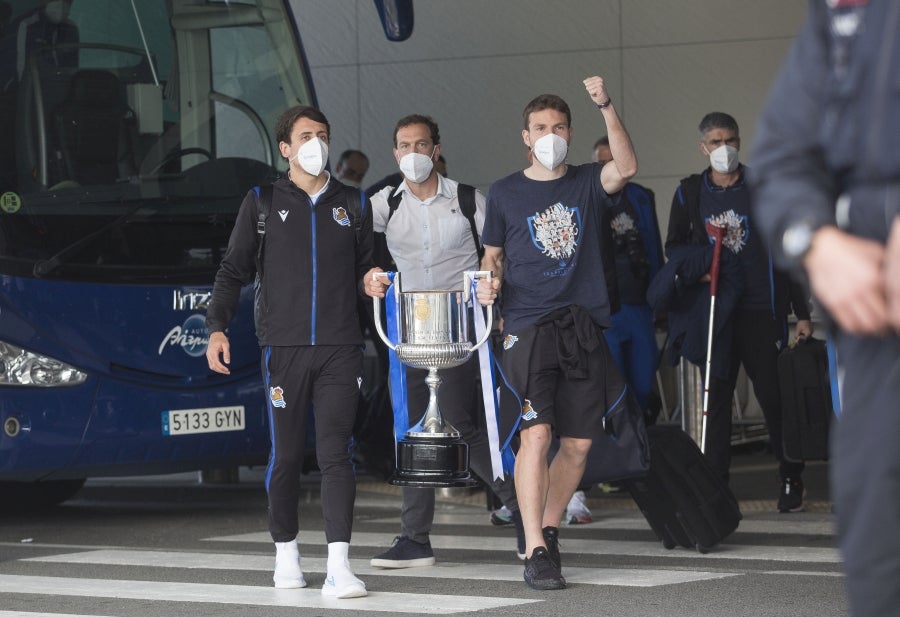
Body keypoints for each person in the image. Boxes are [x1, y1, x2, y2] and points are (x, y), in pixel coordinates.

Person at [749, 2, 899, 615]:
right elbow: (784, 155)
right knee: (876, 544)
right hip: (874, 327)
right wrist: (815, 240)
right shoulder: (837, 19)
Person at [205, 105, 377, 600]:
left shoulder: (355, 204)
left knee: (336, 455)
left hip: (342, 347)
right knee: (285, 457)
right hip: (283, 347)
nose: (315, 143)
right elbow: (232, 270)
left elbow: (368, 269)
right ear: (285, 148)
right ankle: (286, 553)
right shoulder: (261, 201)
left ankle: (340, 566)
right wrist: (217, 328)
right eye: (305, 136)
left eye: (322, 135)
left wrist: (374, 281)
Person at [475, 76, 638, 590]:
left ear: (570, 131)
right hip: (526, 325)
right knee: (537, 434)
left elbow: (628, 166)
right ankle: (536, 549)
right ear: (525, 136)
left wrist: (605, 106)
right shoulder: (503, 192)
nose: (551, 135)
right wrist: (488, 287)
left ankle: (548, 524)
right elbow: (492, 259)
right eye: (541, 128)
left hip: (582, 325)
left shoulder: (588, 181)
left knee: (579, 445)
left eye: (559, 127)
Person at [365, 114, 525, 567]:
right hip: (411, 330)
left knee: (461, 422)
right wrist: (369, 274)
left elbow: (499, 254)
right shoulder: (383, 204)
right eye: (404, 145)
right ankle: (414, 538)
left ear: (436, 149)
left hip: (463, 327)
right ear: (395, 153)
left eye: (421, 144)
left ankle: (522, 512)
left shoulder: (471, 199)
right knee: (414, 428)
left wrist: (495, 294)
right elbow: (352, 247)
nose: (413, 153)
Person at [664, 111, 813, 511]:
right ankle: (717, 487)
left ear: (739, 142)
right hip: (716, 312)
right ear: (702, 147)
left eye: (729, 140)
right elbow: (674, 248)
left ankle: (790, 478)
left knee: (774, 398)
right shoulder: (690, 193)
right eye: (715, 142)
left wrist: (802, 313)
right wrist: (698, 270)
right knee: (717, 402)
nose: (723, 148)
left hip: (761, 309)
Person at [1, 0, 79, 92]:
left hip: (62, 94)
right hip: (27, 95)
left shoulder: (70, 29)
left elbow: (73, 70)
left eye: (67, 1)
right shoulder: (26, 25)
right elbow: (20, 74)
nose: (62, 3)